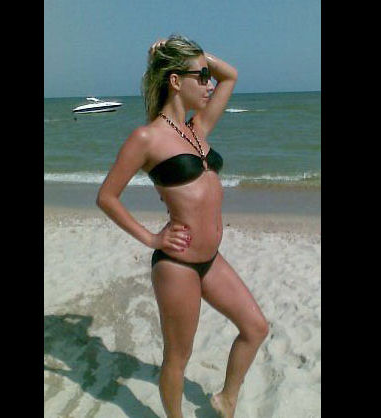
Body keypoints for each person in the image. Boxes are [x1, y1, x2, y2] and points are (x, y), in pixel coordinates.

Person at [97, 34, 269, 418]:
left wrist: (192, 55)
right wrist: (152, 237)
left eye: (207, 76)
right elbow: (107, 196)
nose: (209, 84)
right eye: (201, 77)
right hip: (177, 265)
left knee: (255, 327)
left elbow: (230, 75)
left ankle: (226, 399)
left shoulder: (197, 129)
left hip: (211, 260)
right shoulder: (146, 138)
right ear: (175, 81)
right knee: (178, 357)